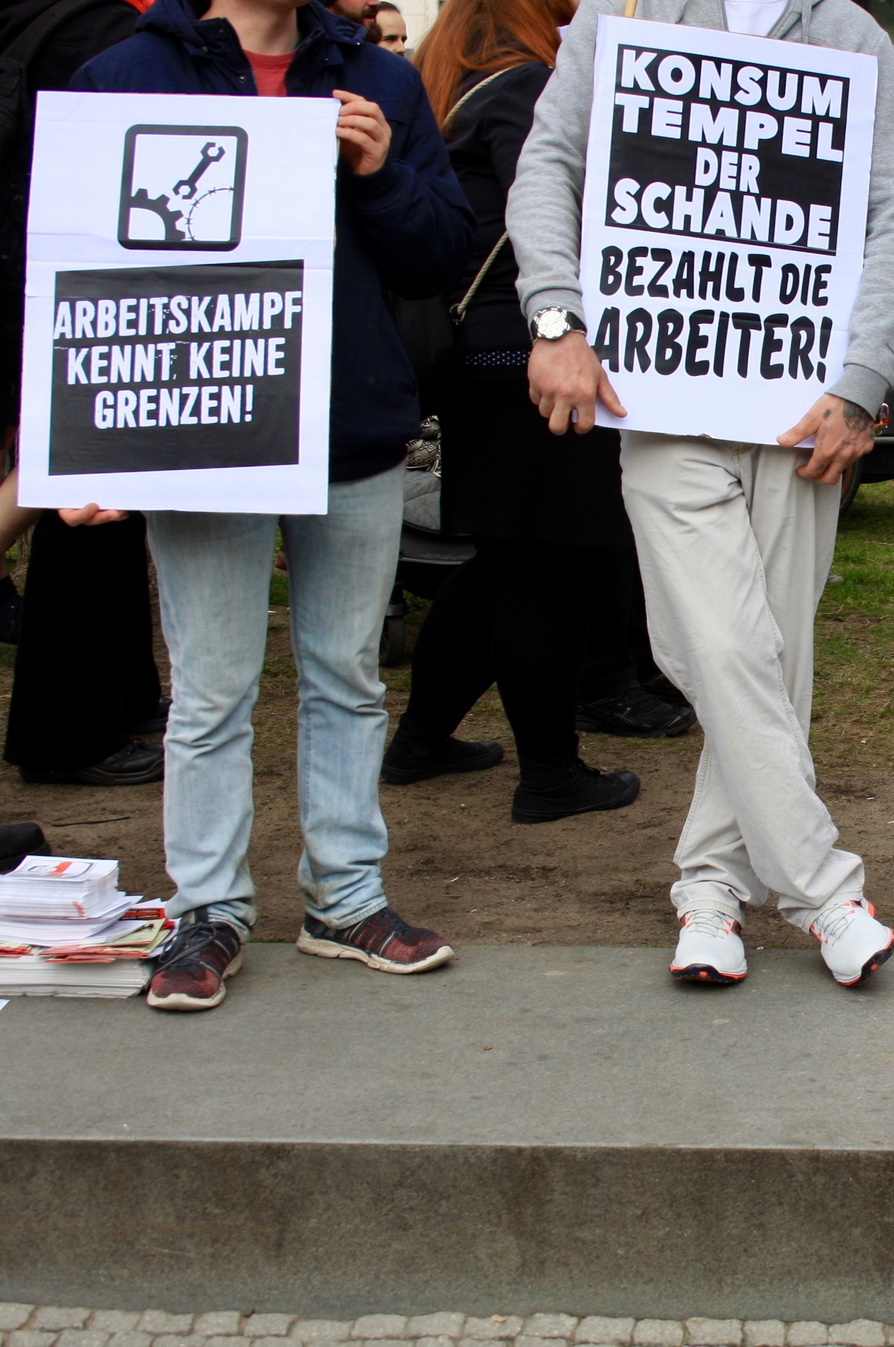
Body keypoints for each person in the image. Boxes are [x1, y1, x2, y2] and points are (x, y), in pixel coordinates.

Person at [507, 0, 894, 988]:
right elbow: (547, 170)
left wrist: (861, 385)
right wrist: (556, 314)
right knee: (725, 647)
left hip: (800, 416)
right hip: (660, 402)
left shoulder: (853, 35)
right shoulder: (624, 15)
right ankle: (826, 891)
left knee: (770, 665)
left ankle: (708, 894)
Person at [71, 0, 476, 1011]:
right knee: (211, 687)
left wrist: (380, 174)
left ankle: (344, 896)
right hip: (206, 435)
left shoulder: (377, 81)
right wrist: (81, 442)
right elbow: (72, 262)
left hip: (350, 425)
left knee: (346, 672)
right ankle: (207, 908)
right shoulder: (131, 72)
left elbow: (442, 253)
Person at [383, 0, 657, 823]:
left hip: (482, 355)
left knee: (503, 560)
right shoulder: (531, 88)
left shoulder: (449, 84)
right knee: (554, 563)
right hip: (538, 355)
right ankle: (549, 774)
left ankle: (423, 739)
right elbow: (552, 208)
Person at [0, 0, 164, 788]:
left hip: (33, 276)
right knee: (79, 491)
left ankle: (120, 698)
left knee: (87, 490)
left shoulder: (45, 18)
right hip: (68, 291)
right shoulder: (102, 35)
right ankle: (66, 730)